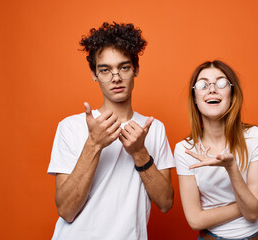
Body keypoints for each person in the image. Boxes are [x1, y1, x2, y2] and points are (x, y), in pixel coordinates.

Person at [47, 22, 174, 240]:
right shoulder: (70, 127)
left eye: (124, 67)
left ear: (136, 69)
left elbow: (165, 203)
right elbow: (66, 210)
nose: (115, 77)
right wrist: (94, 144)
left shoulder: (153, 128)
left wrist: (139, 153)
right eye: (105, 70)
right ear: (94, 74)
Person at [174, 60, 258, 240]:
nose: (212, 89)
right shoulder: (185, 149)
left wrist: (231, 168)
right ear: (194, 97)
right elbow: (195, 220)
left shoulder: (256, 138)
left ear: (232, 94)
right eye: (203, 84)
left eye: (221, 83)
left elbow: (251, 214)